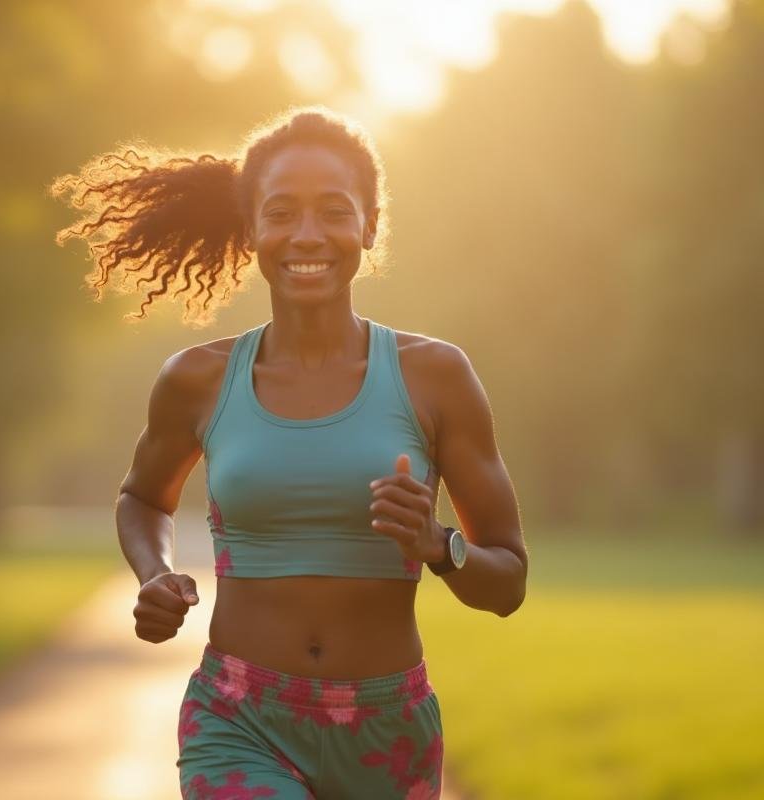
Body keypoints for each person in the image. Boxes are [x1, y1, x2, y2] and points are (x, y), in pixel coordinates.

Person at [52, 108, 528, 800]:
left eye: (334, 212)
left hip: (386, 731)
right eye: (281, 214)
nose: (308, 235)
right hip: (239, 718)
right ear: (252, 232)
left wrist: (436, 542)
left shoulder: (435, 377)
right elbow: (143, 497)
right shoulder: (197, 379)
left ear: (369, 225)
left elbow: (508, 583)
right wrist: (153, 573)